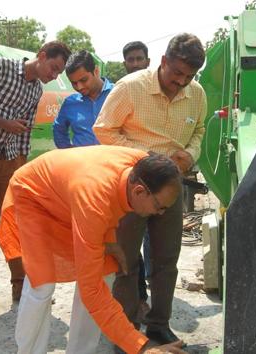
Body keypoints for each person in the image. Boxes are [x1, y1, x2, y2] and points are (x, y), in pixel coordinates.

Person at [0, 145, 186, 354]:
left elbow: (113, 200)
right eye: (160, 207)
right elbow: (91, 290)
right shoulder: (93, 201)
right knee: (42, 284)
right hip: (33, 196)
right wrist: (141, 348)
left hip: (73, 198)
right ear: (139, 191)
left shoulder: (141, 165)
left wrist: (110, 240)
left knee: (105, 273)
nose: (160, 214)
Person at [94, 33, 207, 347]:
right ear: (163, 62)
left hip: (171, 189)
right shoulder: (131, 88)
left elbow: (199, 130)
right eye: (176, 75)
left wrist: (191, 154)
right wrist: (146, 158)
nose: (181, 82)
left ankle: (158, 325)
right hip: (133, 191)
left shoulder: (196, 94)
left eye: (189, 77)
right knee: (126, 261)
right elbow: (103, 130)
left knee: (166, 260)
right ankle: (127, 330)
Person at [0, 41, 71, 313]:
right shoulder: (1, 67)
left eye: (58, 73)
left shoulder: (36, 90)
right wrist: (2, 122)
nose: (53, 76)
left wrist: (21, 169)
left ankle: (19, 284)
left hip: (10, 159)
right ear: (42, 56)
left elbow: (25, 132)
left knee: (15, 225)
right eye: (53, 68)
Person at [121, 40, 153, 323]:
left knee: (154, 244)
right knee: (130, 249)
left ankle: (146, 298)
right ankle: (136, 301)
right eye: (129, 59)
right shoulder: (119, 93)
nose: (134, 63)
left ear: (148, 60)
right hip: (123, 181)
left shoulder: (152, 93)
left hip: (155, 178)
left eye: (138, 59)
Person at [52, 50, 113, 148]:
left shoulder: (117, 94)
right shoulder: (70, 103)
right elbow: (58, 129)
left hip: (114, 161)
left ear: (96, 71)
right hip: (80, 162)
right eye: (74, 83)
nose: (79, 87)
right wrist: (68, 151)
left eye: (83, 80)